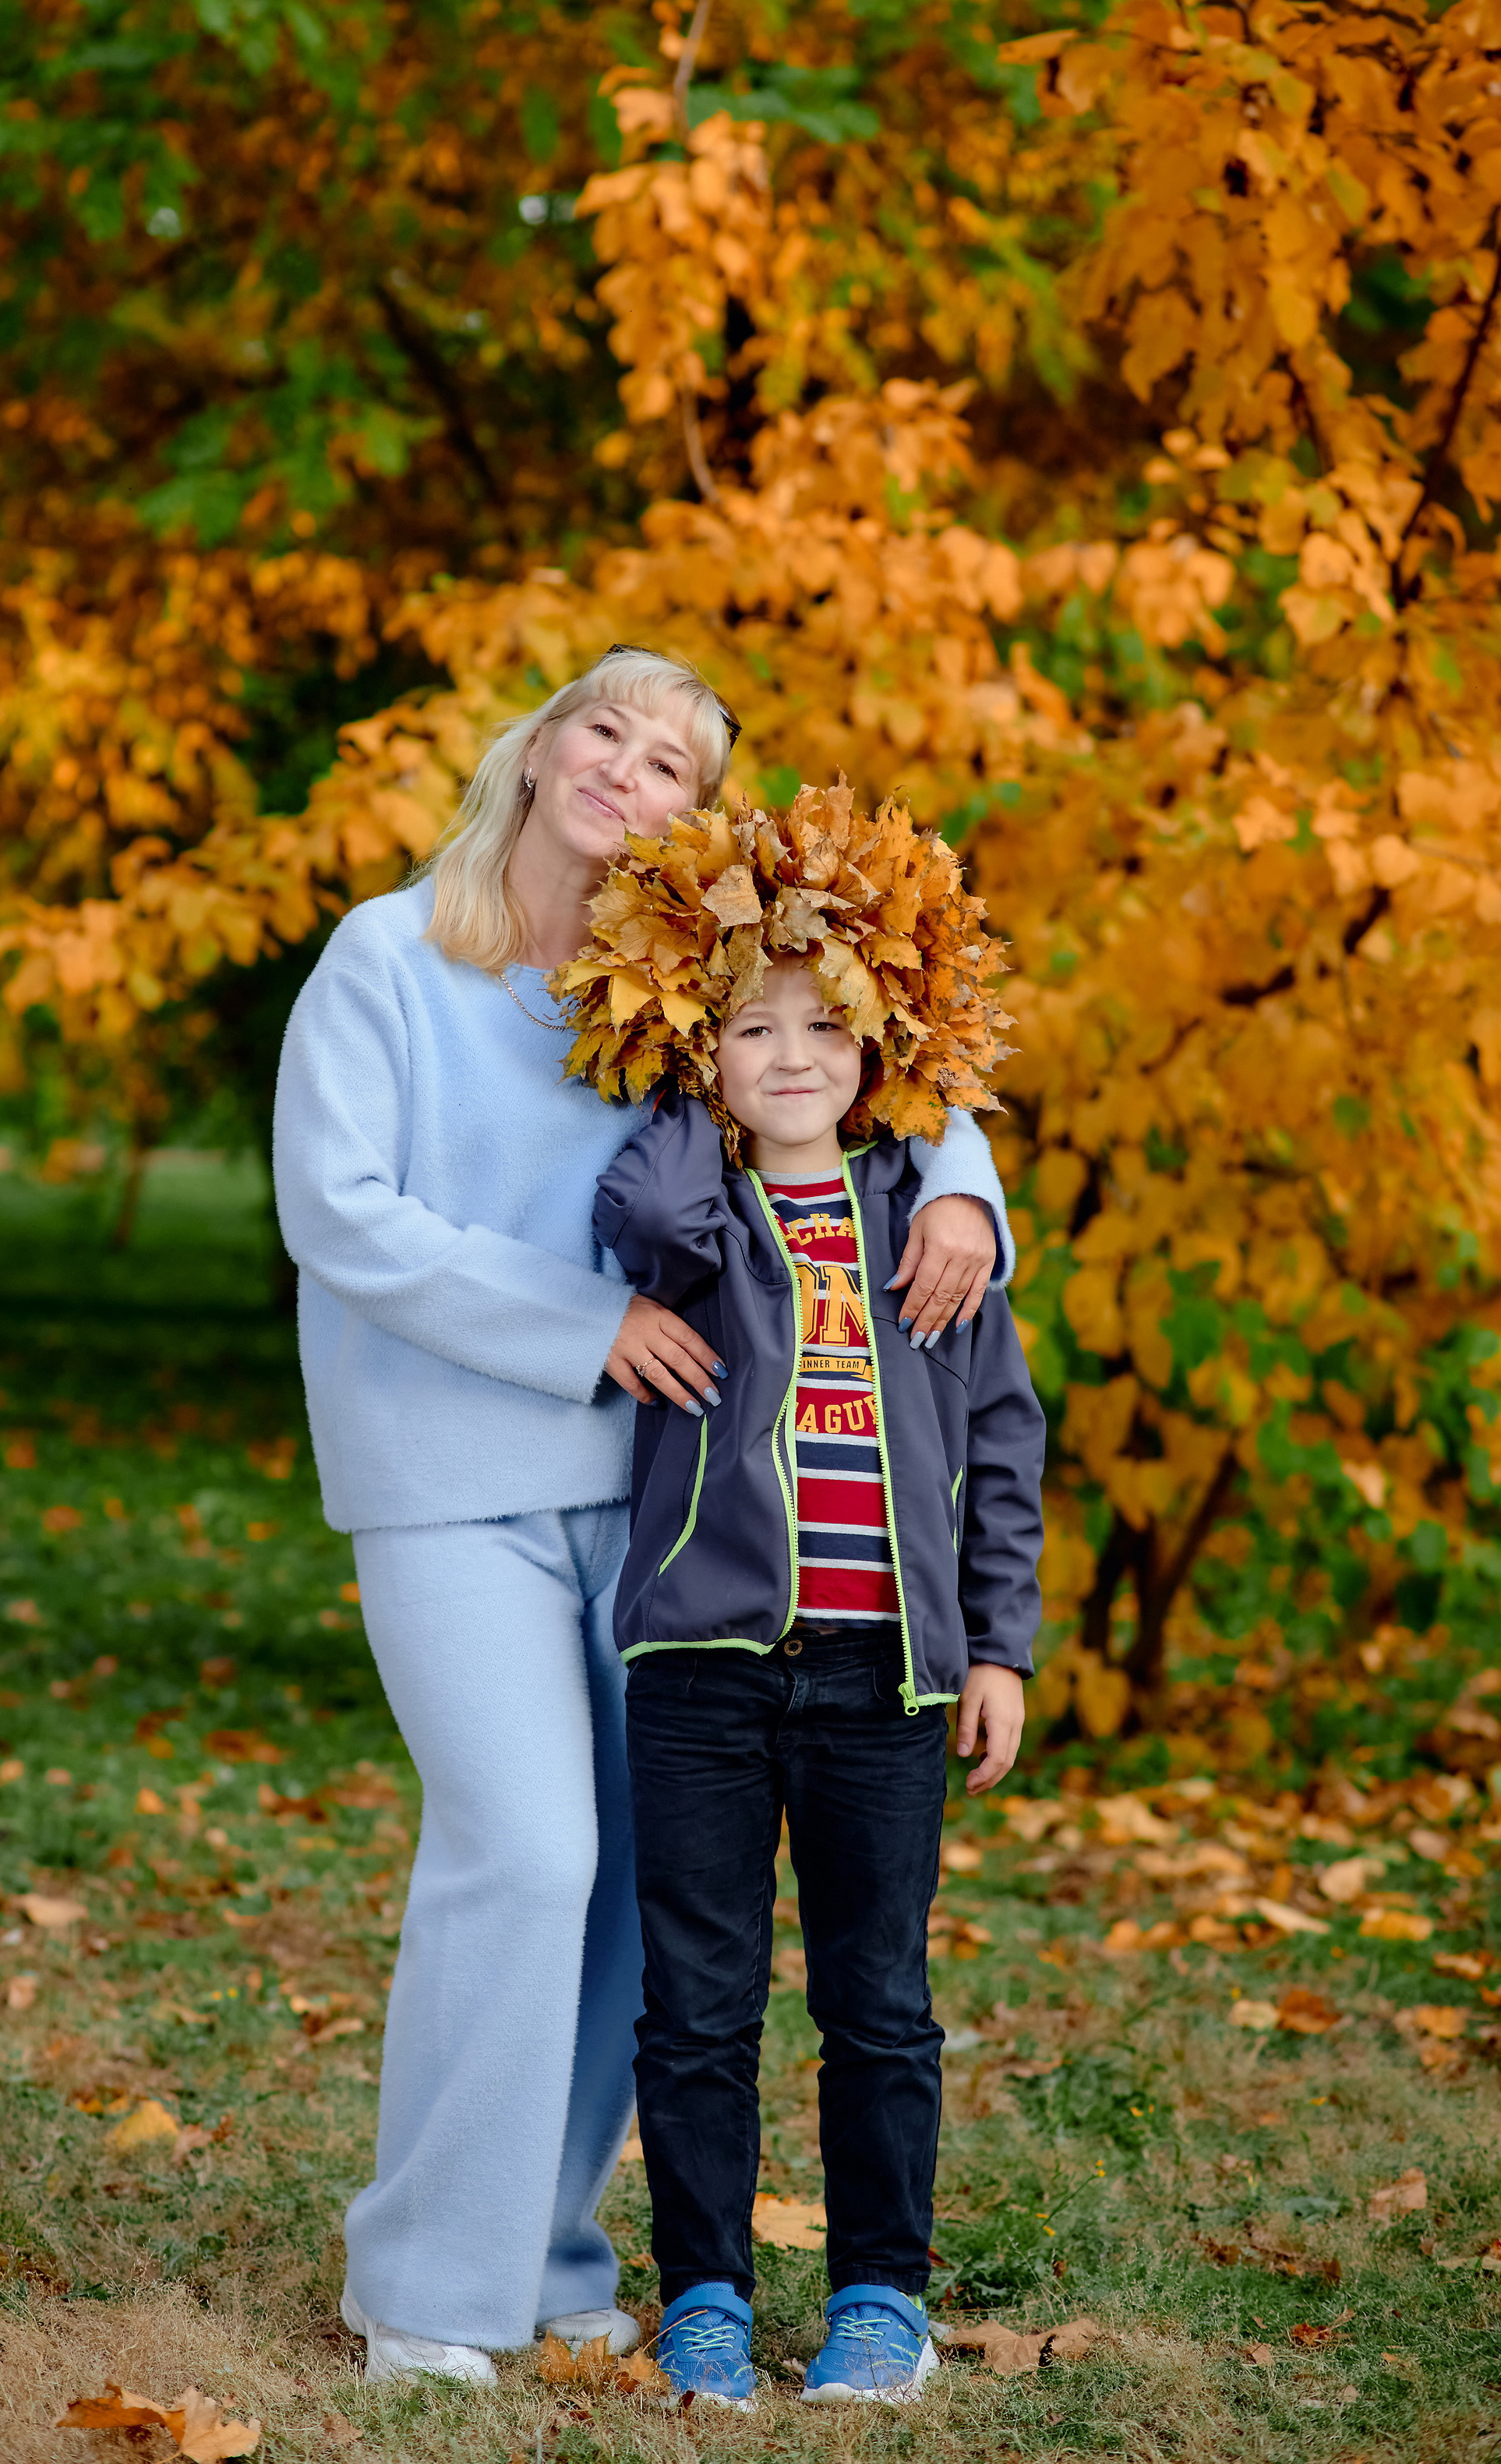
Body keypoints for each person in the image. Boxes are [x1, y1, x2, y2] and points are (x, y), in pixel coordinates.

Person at [272, 657, 1016, 2385]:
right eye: (604, 726)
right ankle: (427, 2294)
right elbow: (338, 1211)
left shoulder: (677, 977)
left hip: (668, 1500)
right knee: (525, 1855)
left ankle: (541, 2248)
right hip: (448, 1483)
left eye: (672, 758)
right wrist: (578, 1324)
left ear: (696, 815)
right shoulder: (387, 958)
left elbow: (864, 1040)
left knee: (634, 1897)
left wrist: (966, 1178)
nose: (627, 765)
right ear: (537, 751)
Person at [567, 783, 1045, 2408]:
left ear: (879, 1047)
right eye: (749, 1028)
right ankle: (701, 2289)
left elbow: (1000, 1439)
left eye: (820, 1024)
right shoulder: (694, 1223)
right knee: (697, 2003)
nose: (787, 1055)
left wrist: (1000, 1650)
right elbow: (633, 1204)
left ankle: (877, 2302)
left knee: (877, 2004)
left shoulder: (932, 1232)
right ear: (701, 1060)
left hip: (885, 1682)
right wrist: (689, 1099)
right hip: (702, 1670)